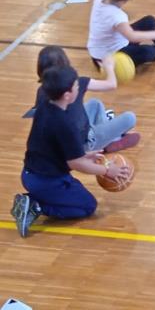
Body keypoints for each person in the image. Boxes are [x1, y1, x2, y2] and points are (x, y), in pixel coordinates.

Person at [10, 66, 131, 238]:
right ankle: (34, 205)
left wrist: (84, 155)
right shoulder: (65, 124)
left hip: (33, 173)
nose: (78, 88)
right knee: (87, 206)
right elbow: (76, 163)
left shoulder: (45, 105)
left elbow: (54, 146)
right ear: (67, 95)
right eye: (75, 86)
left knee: (77, 193)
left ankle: (37, 198)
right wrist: (107, 170)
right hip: (46, 181)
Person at [24, 46, 139, 154]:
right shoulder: (77, 83)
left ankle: (107, 136)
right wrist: (109, 67)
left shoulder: (42, 90)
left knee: (95, 103)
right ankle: (111, 141)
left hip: (61, 143)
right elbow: (111, 84)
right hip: (82, 144)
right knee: (130, 117)